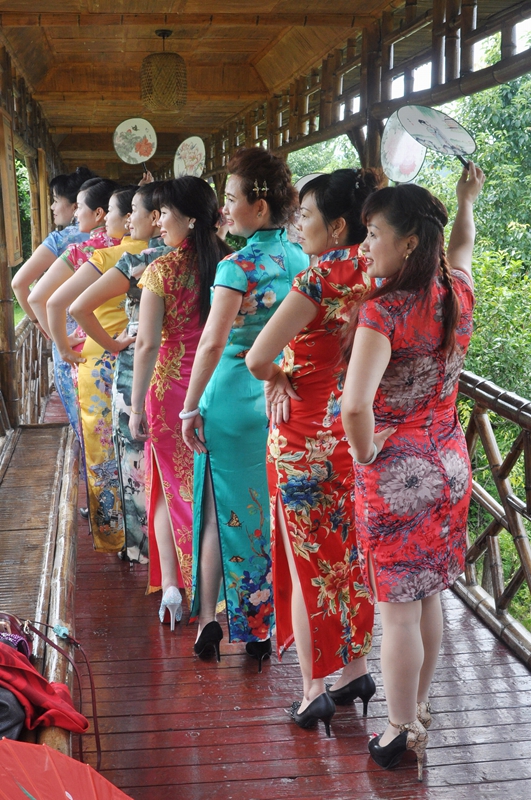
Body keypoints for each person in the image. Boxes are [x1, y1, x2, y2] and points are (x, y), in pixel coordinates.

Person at [341, 163, 484, 779]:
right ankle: (418, 709)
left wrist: (364, 452)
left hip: (398, 474)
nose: (365, 245)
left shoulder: (385, 313)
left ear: (409, 243)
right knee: (429, 593)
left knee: (397, 609)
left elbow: (354, 406)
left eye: (374, 233)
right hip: (450, 463)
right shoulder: (457, 292)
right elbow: (464, 245)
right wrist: (466, 199)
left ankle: (398, 728)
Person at [246, 169, 379, 735]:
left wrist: (278, 376)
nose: (298, 225)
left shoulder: (318, 278)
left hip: (301, 441)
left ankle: (312, 691)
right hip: (351, 440)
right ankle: (356, 671)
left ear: (338, 225)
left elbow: (257, 358)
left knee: (306, 569)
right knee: (347, 559)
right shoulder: (380, 270)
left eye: (305, 215)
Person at [181, 147, 308, 668]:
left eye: (232, 198)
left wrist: (189, 407)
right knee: (261, 510)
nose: (224, 209)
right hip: (279, 397)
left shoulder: (237, 267)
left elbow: (213, 343)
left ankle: (209, 622)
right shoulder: (301, 260)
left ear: (259, 205)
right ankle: (259, 629)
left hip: (232, 395)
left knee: (217, 508)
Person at [128, 177, 231, 628]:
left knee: (166, 486)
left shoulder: (161, 271)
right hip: (218, 387)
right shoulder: (230, 264)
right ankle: (214, 589)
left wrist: (135, 407)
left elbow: (147, 344)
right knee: (211, 487)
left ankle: (173, 585)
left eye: (164, 213)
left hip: (170, 394)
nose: (158, 221)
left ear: (189, 218)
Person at [47, 185, 150, 553]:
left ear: (131, 217)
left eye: (113, 211)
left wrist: (63, 346)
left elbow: (54, 302)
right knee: (137, 456)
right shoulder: (163, 255)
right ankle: (143, 541)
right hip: (141, 365)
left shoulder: (109, 256)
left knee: (103, 457)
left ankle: (115, 537)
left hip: (99, 361)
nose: (106, 220)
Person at [70, 182, 164, 564]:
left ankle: (129, 544)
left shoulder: (126, 259)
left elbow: (66, 304)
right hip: (183, 375)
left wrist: (102, 344)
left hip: (120, 367)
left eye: (120, 210)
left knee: (123, 463)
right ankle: (173, 560)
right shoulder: (207, 257)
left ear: (152, 217)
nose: (116, 218)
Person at [11, 166, 96, 440]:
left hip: (67, 340)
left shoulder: (61, 240)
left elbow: (19, 284)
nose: (52, 207)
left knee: (82, 423)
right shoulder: (115, 237)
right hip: (107, 336)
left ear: (75, 206)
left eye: (56, 200)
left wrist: (41, 324)